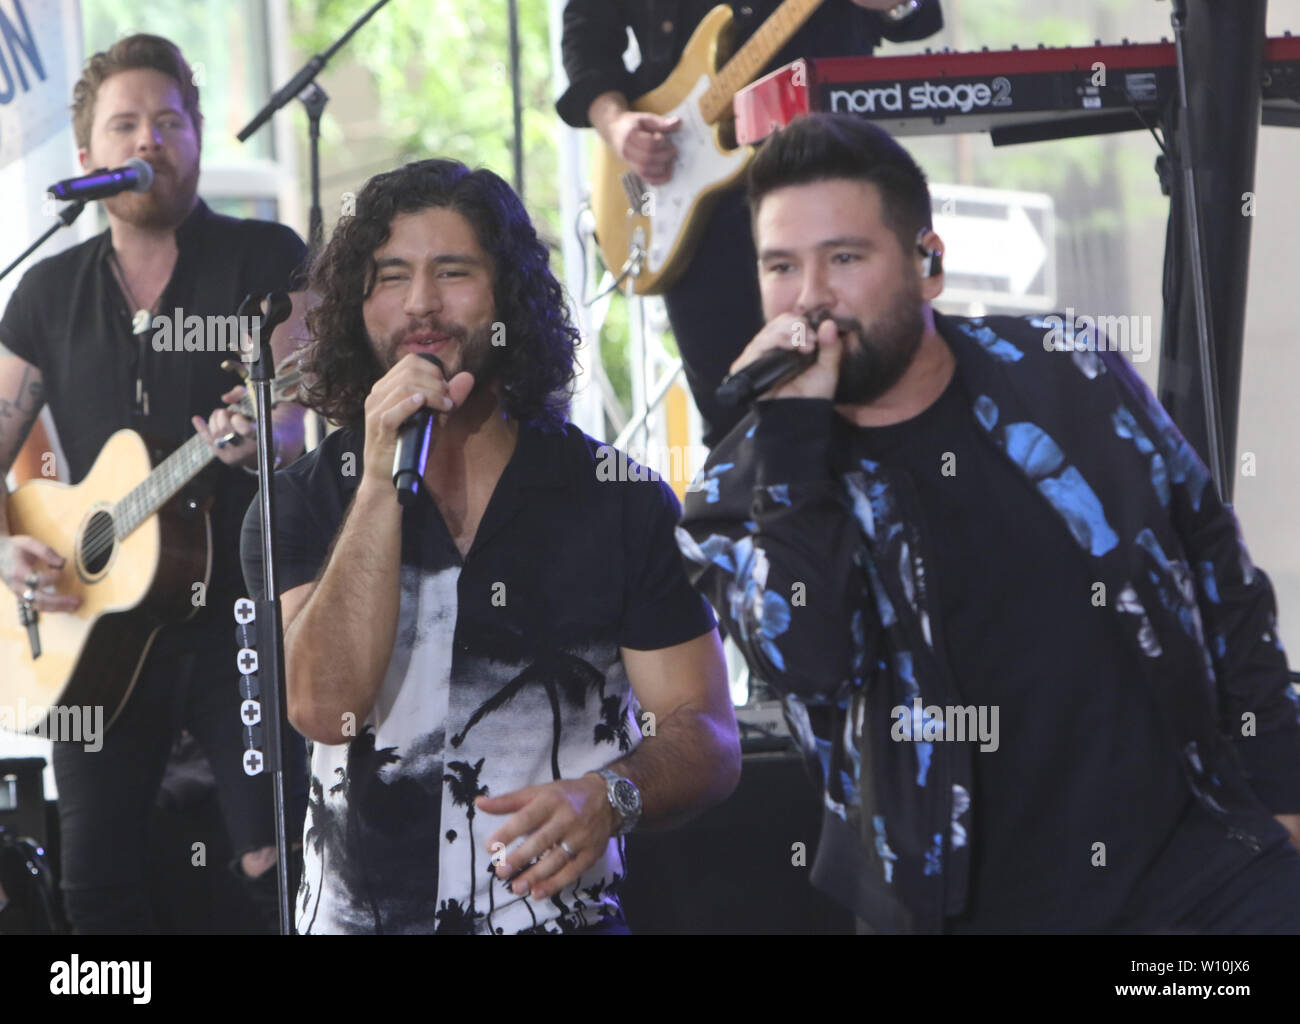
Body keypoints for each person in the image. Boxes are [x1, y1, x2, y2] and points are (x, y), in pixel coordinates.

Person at [677, 113, 1300, 934]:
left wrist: (1283, 789)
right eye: (781, 266)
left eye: (845, 258)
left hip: (1190, 878)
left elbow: (1216, 568)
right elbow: (815, 663)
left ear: (927, 266)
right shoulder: (735, 487)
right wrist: (791, 444)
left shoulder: (1063, 366)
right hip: (961, 908)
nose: (810, 298)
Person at [240, 158, 740, 935]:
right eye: (390, 276)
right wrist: (377, 480)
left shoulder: (619, 498)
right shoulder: (306, 499)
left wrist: (612, 796)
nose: (421, 305)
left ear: (508, 293)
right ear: (355, 306)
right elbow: (324, 708)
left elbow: (707, 734)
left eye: (454, 272)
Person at [0, 34, 308, 934]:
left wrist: (263, 439)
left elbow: (289, 421)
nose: (149, 141)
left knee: (269, 860)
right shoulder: (46, 292)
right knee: (97, 883)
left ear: (198, 134)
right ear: (86, 153)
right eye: (125, 124)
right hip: (81, 623)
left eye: (169, 121)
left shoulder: (261, 258)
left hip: (236, 606)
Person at [557, 0, 943, 448]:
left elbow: (916, 16)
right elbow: (587, 26)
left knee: (868, 405)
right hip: (692, 191)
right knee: (732, 426)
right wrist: (617, 124)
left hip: (831, 176)